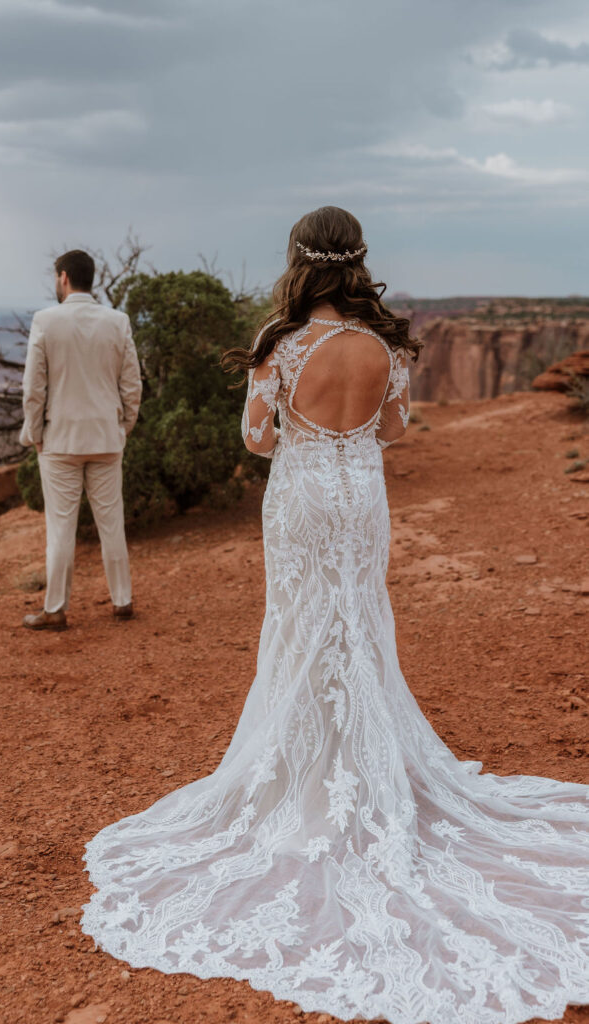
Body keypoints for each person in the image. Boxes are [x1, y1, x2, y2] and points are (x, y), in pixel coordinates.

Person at [80, 209, 589, 1024]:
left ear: (298, 262)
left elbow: (253, 440)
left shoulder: (277, 345)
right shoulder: (384, 347)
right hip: (361, 497)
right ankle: (368, 762)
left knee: (301, 621)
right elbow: (393, 428)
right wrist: (350, 432)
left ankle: (305, 772)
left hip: (304, 494)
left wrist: (290, 422)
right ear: (357, 263)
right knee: (358, 618)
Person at [19, 249, 142, 631]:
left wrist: (35, 434)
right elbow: (132, 384)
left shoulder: (45, 321)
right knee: (112, 523)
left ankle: (55, 608)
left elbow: (33, 388)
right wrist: (124, 427)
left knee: (60, 527)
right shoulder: (117, 321)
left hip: (60, 442)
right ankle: (122, 601)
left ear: (63, 277)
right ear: (92, 278)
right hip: (106, 437)